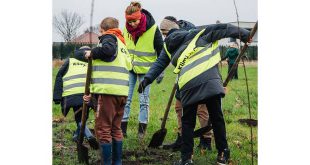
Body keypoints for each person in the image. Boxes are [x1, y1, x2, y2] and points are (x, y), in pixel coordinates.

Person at [138, 23, 251, 165]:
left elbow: (159, 64)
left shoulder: (167, 47)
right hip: (210, 81)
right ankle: (223, 153)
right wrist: (246, 35)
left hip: (188, 86)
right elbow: (225, 28)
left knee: (187, 122)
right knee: (217, 118)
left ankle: (186, 158)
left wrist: (146, 80)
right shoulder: (199, 33)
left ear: (167, 35)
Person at [83, 17, 131, 165]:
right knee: (116, 128)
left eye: (100, 32)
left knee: (104, 129)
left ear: (102, 29)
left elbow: (107, 51)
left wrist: (92, 53)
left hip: (108, 92)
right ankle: (117, 162)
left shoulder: (109, 37)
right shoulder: (122, 44)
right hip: (121, 92)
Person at [160, 16, 213, 152]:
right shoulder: (174, 36)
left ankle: (206, 140)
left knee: (201, 109)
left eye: (165, 33)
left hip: (199, 77)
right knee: (179, 107)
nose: (166, 37)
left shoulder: (188, 33)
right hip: (182, 78)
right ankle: (182, 138)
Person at [121, 1, 164, 139]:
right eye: (130, 21)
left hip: (147, 71)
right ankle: (122, 131)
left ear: (140, 17)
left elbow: (161, 50)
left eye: (135, 21)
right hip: (129, 69)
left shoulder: (153, 29)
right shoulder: (125, 29)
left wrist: (160, 70)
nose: (132, 24)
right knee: (125, 99)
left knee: (143, 100)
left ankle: (141, 131)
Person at [53, 45, 98, 149]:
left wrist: (57, 97)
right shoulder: (93, 60)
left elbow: (59, 76)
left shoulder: (70, 60)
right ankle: (88, 135)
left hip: (70, 94)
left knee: (80, 117)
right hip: (87, 94)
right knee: (82, 116)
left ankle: (78, 136)